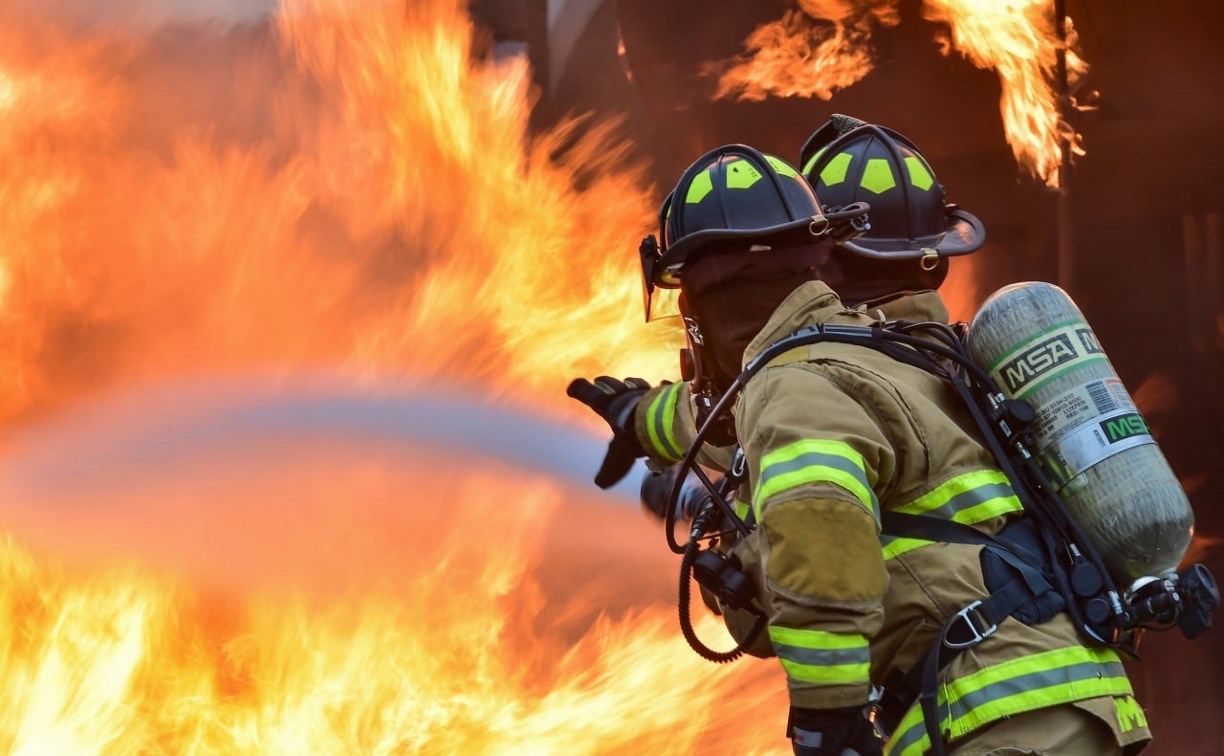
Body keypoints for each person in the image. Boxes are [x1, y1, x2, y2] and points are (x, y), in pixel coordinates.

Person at [568, 117, 1152, 755]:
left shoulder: (796, 385)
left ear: (707, 304)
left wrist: (828, 722)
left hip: (997, 720)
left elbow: (820, 552)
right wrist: (641, 417)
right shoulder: (897, 357)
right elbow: (728, 417)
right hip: (1070, 705)